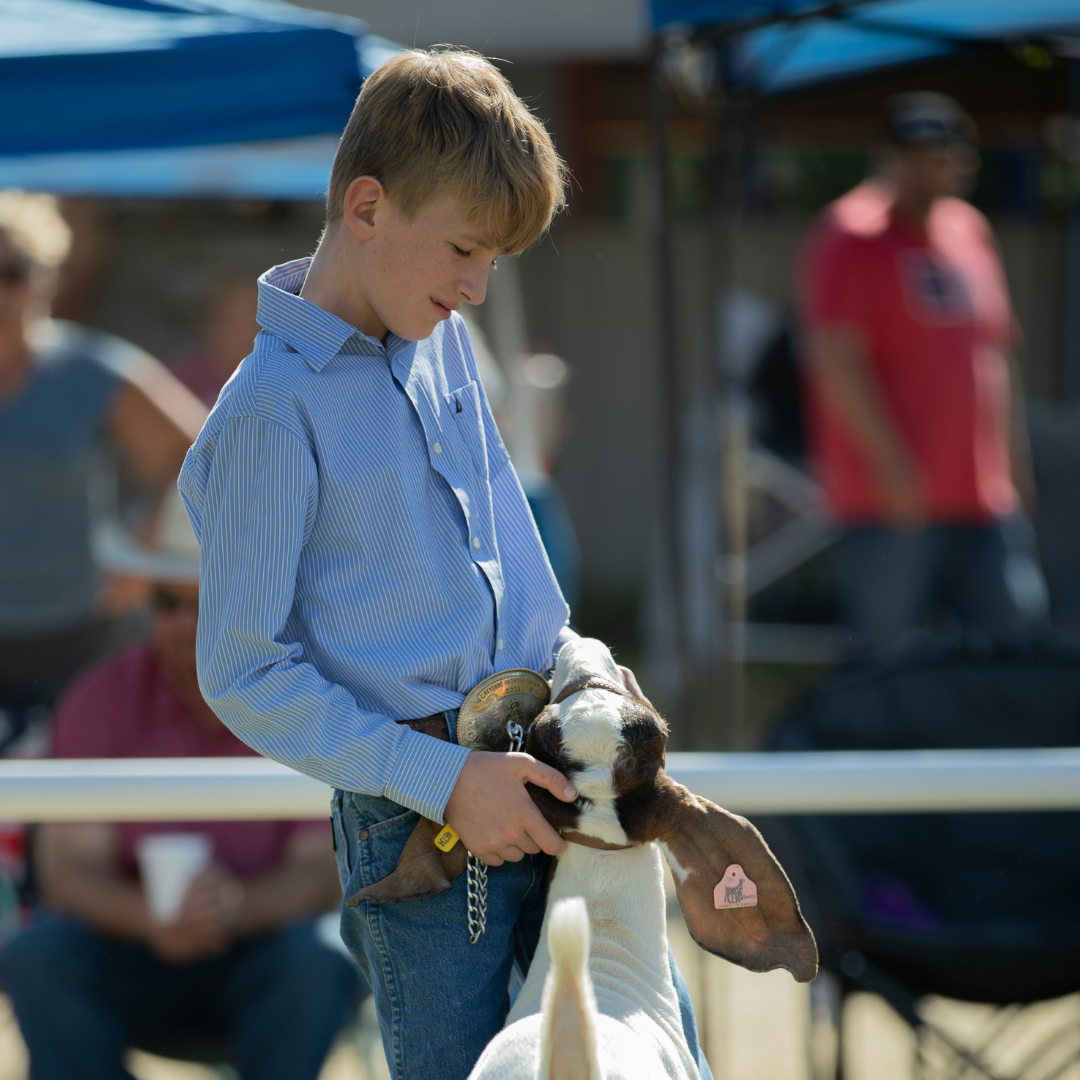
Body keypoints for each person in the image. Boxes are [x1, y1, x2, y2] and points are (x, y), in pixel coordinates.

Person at [179, 49, 713, 1080]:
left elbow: (518, 579)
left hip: (560, 772)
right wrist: (448, 777)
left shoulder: (440, 338)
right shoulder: (266, 413)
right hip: (421, 834)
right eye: (465, 248)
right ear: (366, 206)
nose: (475, 286)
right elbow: (241, 671)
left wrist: (585, 666)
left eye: (495, 262)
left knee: (653, 1060)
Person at [0, 487, 365, 1080]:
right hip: (128, 948)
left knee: (318, 957)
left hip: (264, 954)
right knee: (39, 957)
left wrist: (231, 909)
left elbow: (319, 873)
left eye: (204, 601)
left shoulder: (307, 697)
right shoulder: (101, 697)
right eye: (168, 601)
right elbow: (67, 870)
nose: (181, 622)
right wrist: (152, 918)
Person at [799, 93, 1037, 651]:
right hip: (891, 500)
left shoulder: (971, 231)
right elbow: (838, 362)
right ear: (886, 158)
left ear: (962, 162)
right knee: (886, 653)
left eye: (938, 155)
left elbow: (994, 354)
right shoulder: (850, 235)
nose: (923, 169)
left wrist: (1014, 460)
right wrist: (893, 463)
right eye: (910, 155)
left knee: (1014, 640)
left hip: (982, 492)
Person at [0, 190, 207, 710]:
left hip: (74, 632)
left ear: (49, 275)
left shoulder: (89, 371)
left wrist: (143, 554)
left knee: (70, 785)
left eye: (12, 273)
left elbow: (198, 451)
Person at [170, 278, 260, 406]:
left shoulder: (283, 378)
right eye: (239, 318)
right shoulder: (183, 381)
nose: (250, 328)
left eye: (256, 316)